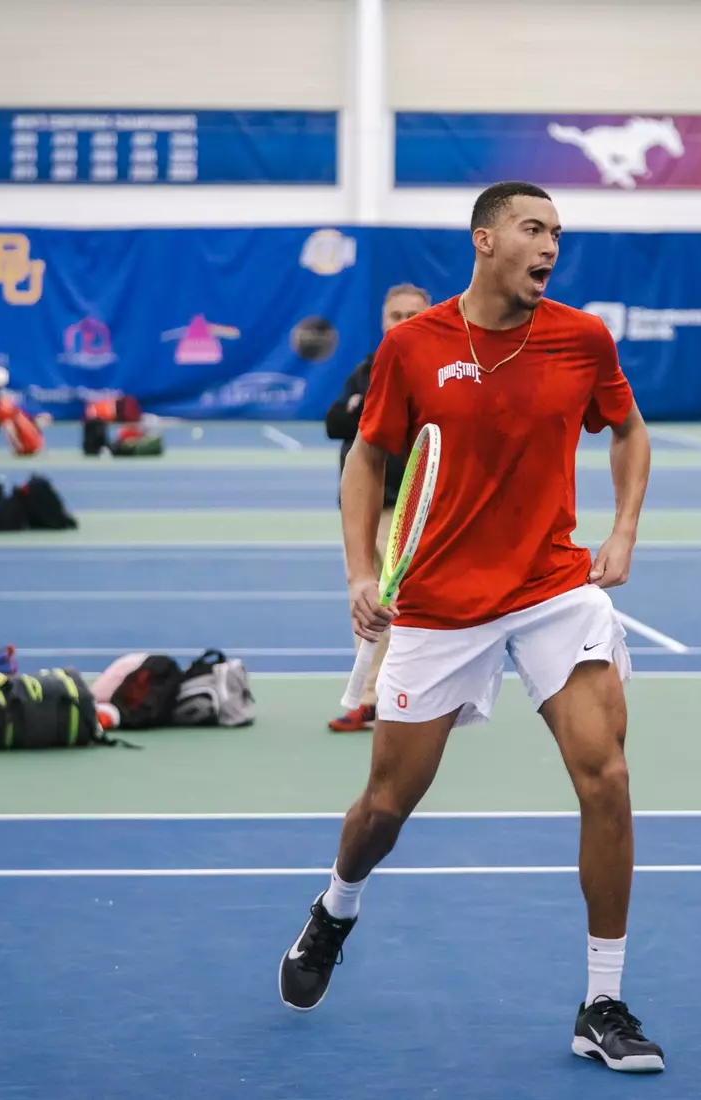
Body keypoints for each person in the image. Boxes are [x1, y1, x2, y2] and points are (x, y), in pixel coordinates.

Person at [278, 181, 663, 1073]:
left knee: (605, 776)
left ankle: (602, 1000)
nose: (551, 246)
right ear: (485, 240)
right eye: (534, 229)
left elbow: (630, 430)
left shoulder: (581, 337)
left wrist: (625, 527)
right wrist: (359, 571)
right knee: (385, 809)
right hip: (441, 606)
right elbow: (367, 460)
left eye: (559, 234)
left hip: (554, 587)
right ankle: (336, 909)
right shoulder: (413, 347)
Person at [323, 282, 432, 733]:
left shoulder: (437, 372)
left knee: (408, 608)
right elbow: (335, 422)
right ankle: (368, 698)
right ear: (383, 321)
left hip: (408, 514)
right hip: (361, 511)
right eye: (395, 316)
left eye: (412, 315)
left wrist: (367, 408)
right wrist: (369, 402)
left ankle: (408, 699)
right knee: (367, 606)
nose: (403, 323)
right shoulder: (367, 369)